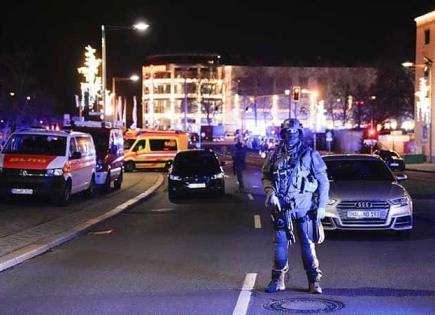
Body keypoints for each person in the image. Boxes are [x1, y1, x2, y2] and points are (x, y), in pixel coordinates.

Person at [261, 118, 329, 294]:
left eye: (294, 132)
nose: (290, 135)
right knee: (280, 247)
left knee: (308, 247)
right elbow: (266, 176)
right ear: (282, 134)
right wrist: (271, 192)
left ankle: (314, 281)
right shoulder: (274, 154)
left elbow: (323, 181)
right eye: (287, 132)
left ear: (300, 133)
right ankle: (277, 280)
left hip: (304, 209)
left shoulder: (310, 155)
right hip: (282, 209)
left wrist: (321, 206)